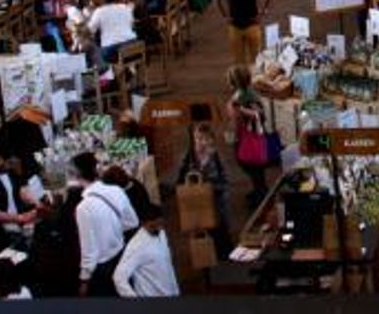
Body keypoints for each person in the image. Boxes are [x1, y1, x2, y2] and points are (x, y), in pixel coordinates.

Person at [72, 151, 139, 297]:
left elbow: (89, 251)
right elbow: (132, 222)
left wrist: (84, 280)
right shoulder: (116, 190)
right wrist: (113, 229)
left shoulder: (83, 208)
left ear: (77, 175)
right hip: (122, 257)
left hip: (103, 270)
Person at [178, 123, 232, 260]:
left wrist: (211, 188)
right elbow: (180, 179)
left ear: (211, 139)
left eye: (205, 139)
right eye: (198, 138)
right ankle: (206, 258)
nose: (201, 143)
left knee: (220, 231)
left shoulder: (217, 156)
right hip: (198, 202)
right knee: (203, 231)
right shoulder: (189, 157)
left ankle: (224, 257)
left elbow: (226, 181)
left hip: (217, 201)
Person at [112, 201, 178, 298]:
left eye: (160, 224)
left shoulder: (161, 233)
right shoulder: (136, 246)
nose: (159, 229)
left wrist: (176, 291)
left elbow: (168, 266)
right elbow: (118, 277)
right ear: (143, 223)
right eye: (153, 226)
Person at [226, 66, 270, 207]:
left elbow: (245, 117)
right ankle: (259, 189)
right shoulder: (248, 93)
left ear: (233, 83)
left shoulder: (242, 98)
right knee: (254, 166)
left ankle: (261, 195)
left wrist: (240, 114)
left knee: (250, 164)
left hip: (248, 136)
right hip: (253, 135)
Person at [217, 0, 270, 66]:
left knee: (256, 58)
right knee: (238, 59)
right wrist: (225, 16)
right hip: (235, 26)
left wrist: (262, 12)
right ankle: (241, 79)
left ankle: (255, 79)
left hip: (252, 24)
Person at [87, 0, 138, 64]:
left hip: (112, 48)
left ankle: (109, 74)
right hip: (133, 44)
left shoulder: (99, 11)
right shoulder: (126, 8)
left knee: (93, 54)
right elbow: (132, 25)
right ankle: (125, 71)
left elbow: (90, 30)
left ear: (103, 0)